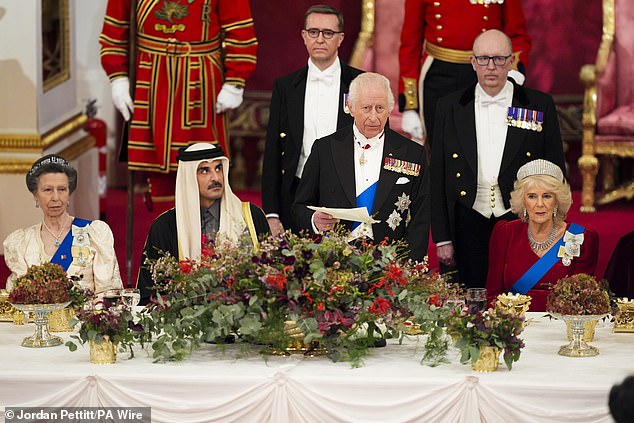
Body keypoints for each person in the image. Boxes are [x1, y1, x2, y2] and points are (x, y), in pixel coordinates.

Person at [431, 29, 565, 289]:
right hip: (468, 216)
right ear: (472, 62)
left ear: (511, 61)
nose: (490, 66)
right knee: (472, 297)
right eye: (483, 59)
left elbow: (556, 170)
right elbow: (438, 175)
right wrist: (442, 238)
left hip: (520, 216)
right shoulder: (449, 106)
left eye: (499, 59)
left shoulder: (538, 105)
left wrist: (553, 226)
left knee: (520, 294)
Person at [99, 0, 258, 214]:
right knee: (157, 170)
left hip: (200, 81)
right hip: (151, 79)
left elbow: (239, 28)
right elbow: (115, 29)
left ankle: (207, 240)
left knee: (205, 164)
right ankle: (166, 239)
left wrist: (235, 82)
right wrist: (117, 77)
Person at [292, 72, 431, 261]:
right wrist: (314, 219)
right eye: (366, 108)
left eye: (380, 108)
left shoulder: (413, 153)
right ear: (350, 107)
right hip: (335, 262)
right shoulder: (325, 149)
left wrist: (408, 265)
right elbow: (299, 206)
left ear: (390, 109)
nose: (374, 117)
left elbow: (421, 219)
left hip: (391, 264)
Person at [262, 4, 363, 236]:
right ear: (304, 36)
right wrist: (272, 213)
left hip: (349, 194)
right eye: (313, 32)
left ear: (340, 39)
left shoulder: (361, 83)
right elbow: (273, 152)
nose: (320, 39)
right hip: (295, 194)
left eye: (328, 33)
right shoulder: (285, 87)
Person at [138, 143, 269, 304]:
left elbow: (270, 279)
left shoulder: (251, 216)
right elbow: (149, 295)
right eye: (205, 170)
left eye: (218, 168)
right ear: (189, 177)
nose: (216, 177)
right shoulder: (165, 226)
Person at [398, 0, 531, 146]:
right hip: (437, 76)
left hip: (487, 72)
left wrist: (514, 71)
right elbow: (410, 44)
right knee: (439, 148)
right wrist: (410, 107)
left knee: (486, 144)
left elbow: (517, 36)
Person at [485, 159, 599, 311]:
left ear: (557, 201)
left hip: (559, 326)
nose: (539, 204)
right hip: (514, 324)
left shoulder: (581, 237)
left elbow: (581, 301)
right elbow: (492, 296)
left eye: (547, 196)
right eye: (532, 196)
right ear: (523, 201)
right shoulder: (505, 233)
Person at [3, 155, 123, 297]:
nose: (56, 197)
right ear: (35, 195)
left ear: (69, 193)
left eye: (62, 189)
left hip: (85, 318)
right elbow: (18, 297)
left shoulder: (94, 233)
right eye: (47, 190)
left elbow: (109, 293)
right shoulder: (22, 243)